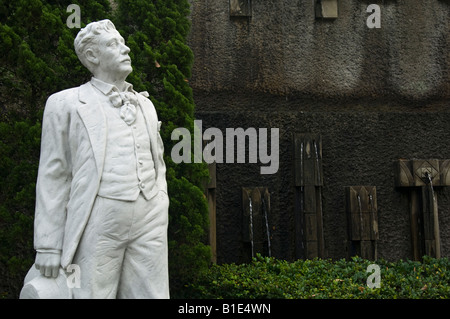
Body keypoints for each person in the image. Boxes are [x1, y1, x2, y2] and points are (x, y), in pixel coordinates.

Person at [21, 19, 169, 298]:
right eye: (114, 44)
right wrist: (48, 245)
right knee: (91, 293)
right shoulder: (64, 103)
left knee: (152, 293)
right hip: (98, 215)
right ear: (92, 56)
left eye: (123, 42)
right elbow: (54, 174)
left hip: (150, 214)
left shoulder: (146, 105)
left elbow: (157, 160)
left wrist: (160, 198)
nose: (126, 48)